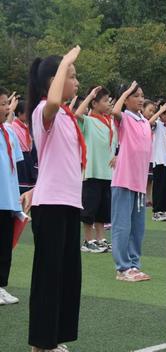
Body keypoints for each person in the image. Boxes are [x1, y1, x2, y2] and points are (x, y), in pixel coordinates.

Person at [27, 46, 84, 351]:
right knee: (48, 277)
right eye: (71, 77)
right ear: (54, 81)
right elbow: (51, 99)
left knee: (67, 277)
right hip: (51, 206)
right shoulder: (43, 111)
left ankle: (54, 338)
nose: (76, 82)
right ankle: (40, 343)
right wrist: (65, 62)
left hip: (69, 204)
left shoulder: (66, 116)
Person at [110, 81, 152, 282]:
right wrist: (125, 91)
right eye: (136, 95)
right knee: (122, 226)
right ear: (126, 99)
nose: (141, 99)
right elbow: (115, 110)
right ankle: (122, 267)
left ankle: (134, 264)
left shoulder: (144, 120)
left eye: (142, 95)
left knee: (138, 228)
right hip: (124, 180)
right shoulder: (125, 117)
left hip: (139, 182)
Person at [75, 86, 118, 253]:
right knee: (89, 208)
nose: (109, 104)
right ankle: (88, 240)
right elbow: (77, 114)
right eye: (105, 101)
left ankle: (101, 239)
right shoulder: (88, 121)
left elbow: (114, 145)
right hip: (92, 171)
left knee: (103, 209)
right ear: (94, 103)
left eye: (109, 101)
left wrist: (116, 155)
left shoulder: (110, 122)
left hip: (107, 173)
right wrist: (90, 95)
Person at [0, 87, 31, 306]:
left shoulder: (9, 131)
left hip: (9, 199)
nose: (7, 107)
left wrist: (18, 196)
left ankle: (1, 286)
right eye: (2, 104)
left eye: (6, 103)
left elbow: (15, 167)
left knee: (5, 246)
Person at [151, 101, 166, 222]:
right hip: (160, 161)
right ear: (162, 116)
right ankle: (156, 211)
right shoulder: (158, 125)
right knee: (159, 188)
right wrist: (160, 111)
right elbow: (149, 122)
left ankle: (165, 210)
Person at [11, 99, 37, 194]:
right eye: (26, 112)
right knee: (22, 186)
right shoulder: (13, 125)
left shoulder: (25, 126)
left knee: (30, 185)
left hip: (28, 156)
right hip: (21, 156)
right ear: (19, 113)